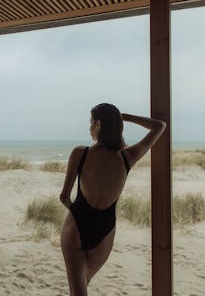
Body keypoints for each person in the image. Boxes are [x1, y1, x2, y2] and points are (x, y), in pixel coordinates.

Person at [60, 103, 166, 296]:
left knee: (78, 290)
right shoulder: (128, 156)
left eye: (91, 122)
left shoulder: (80, 153)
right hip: (104, 231)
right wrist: (124, 117)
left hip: (76, 225)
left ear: (99, 124)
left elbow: (64, 197)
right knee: (83, 284)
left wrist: (77, 215)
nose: (89, 127)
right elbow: (160, 126)